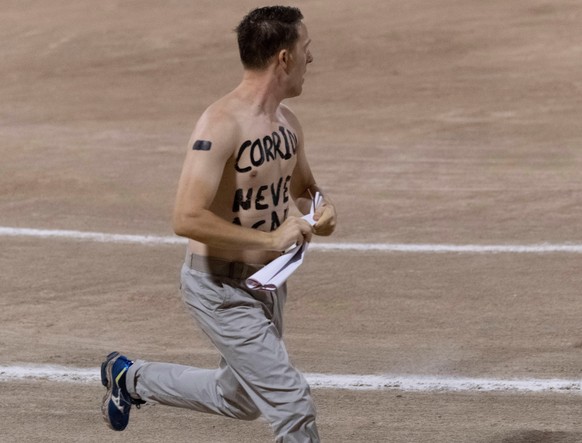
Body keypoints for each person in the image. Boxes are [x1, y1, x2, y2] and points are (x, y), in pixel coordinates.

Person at [100, 6, 336, 442]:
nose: (311, 59)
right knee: (292, 402)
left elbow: (303, 186)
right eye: (307, 49)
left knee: (241, 398)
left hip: (266, 283)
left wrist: (322, 206)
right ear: (283, 58)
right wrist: (270, 236)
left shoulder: (287, 123)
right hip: (219, 289)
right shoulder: (220, 123)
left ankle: (130, 379)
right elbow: (186, 217)